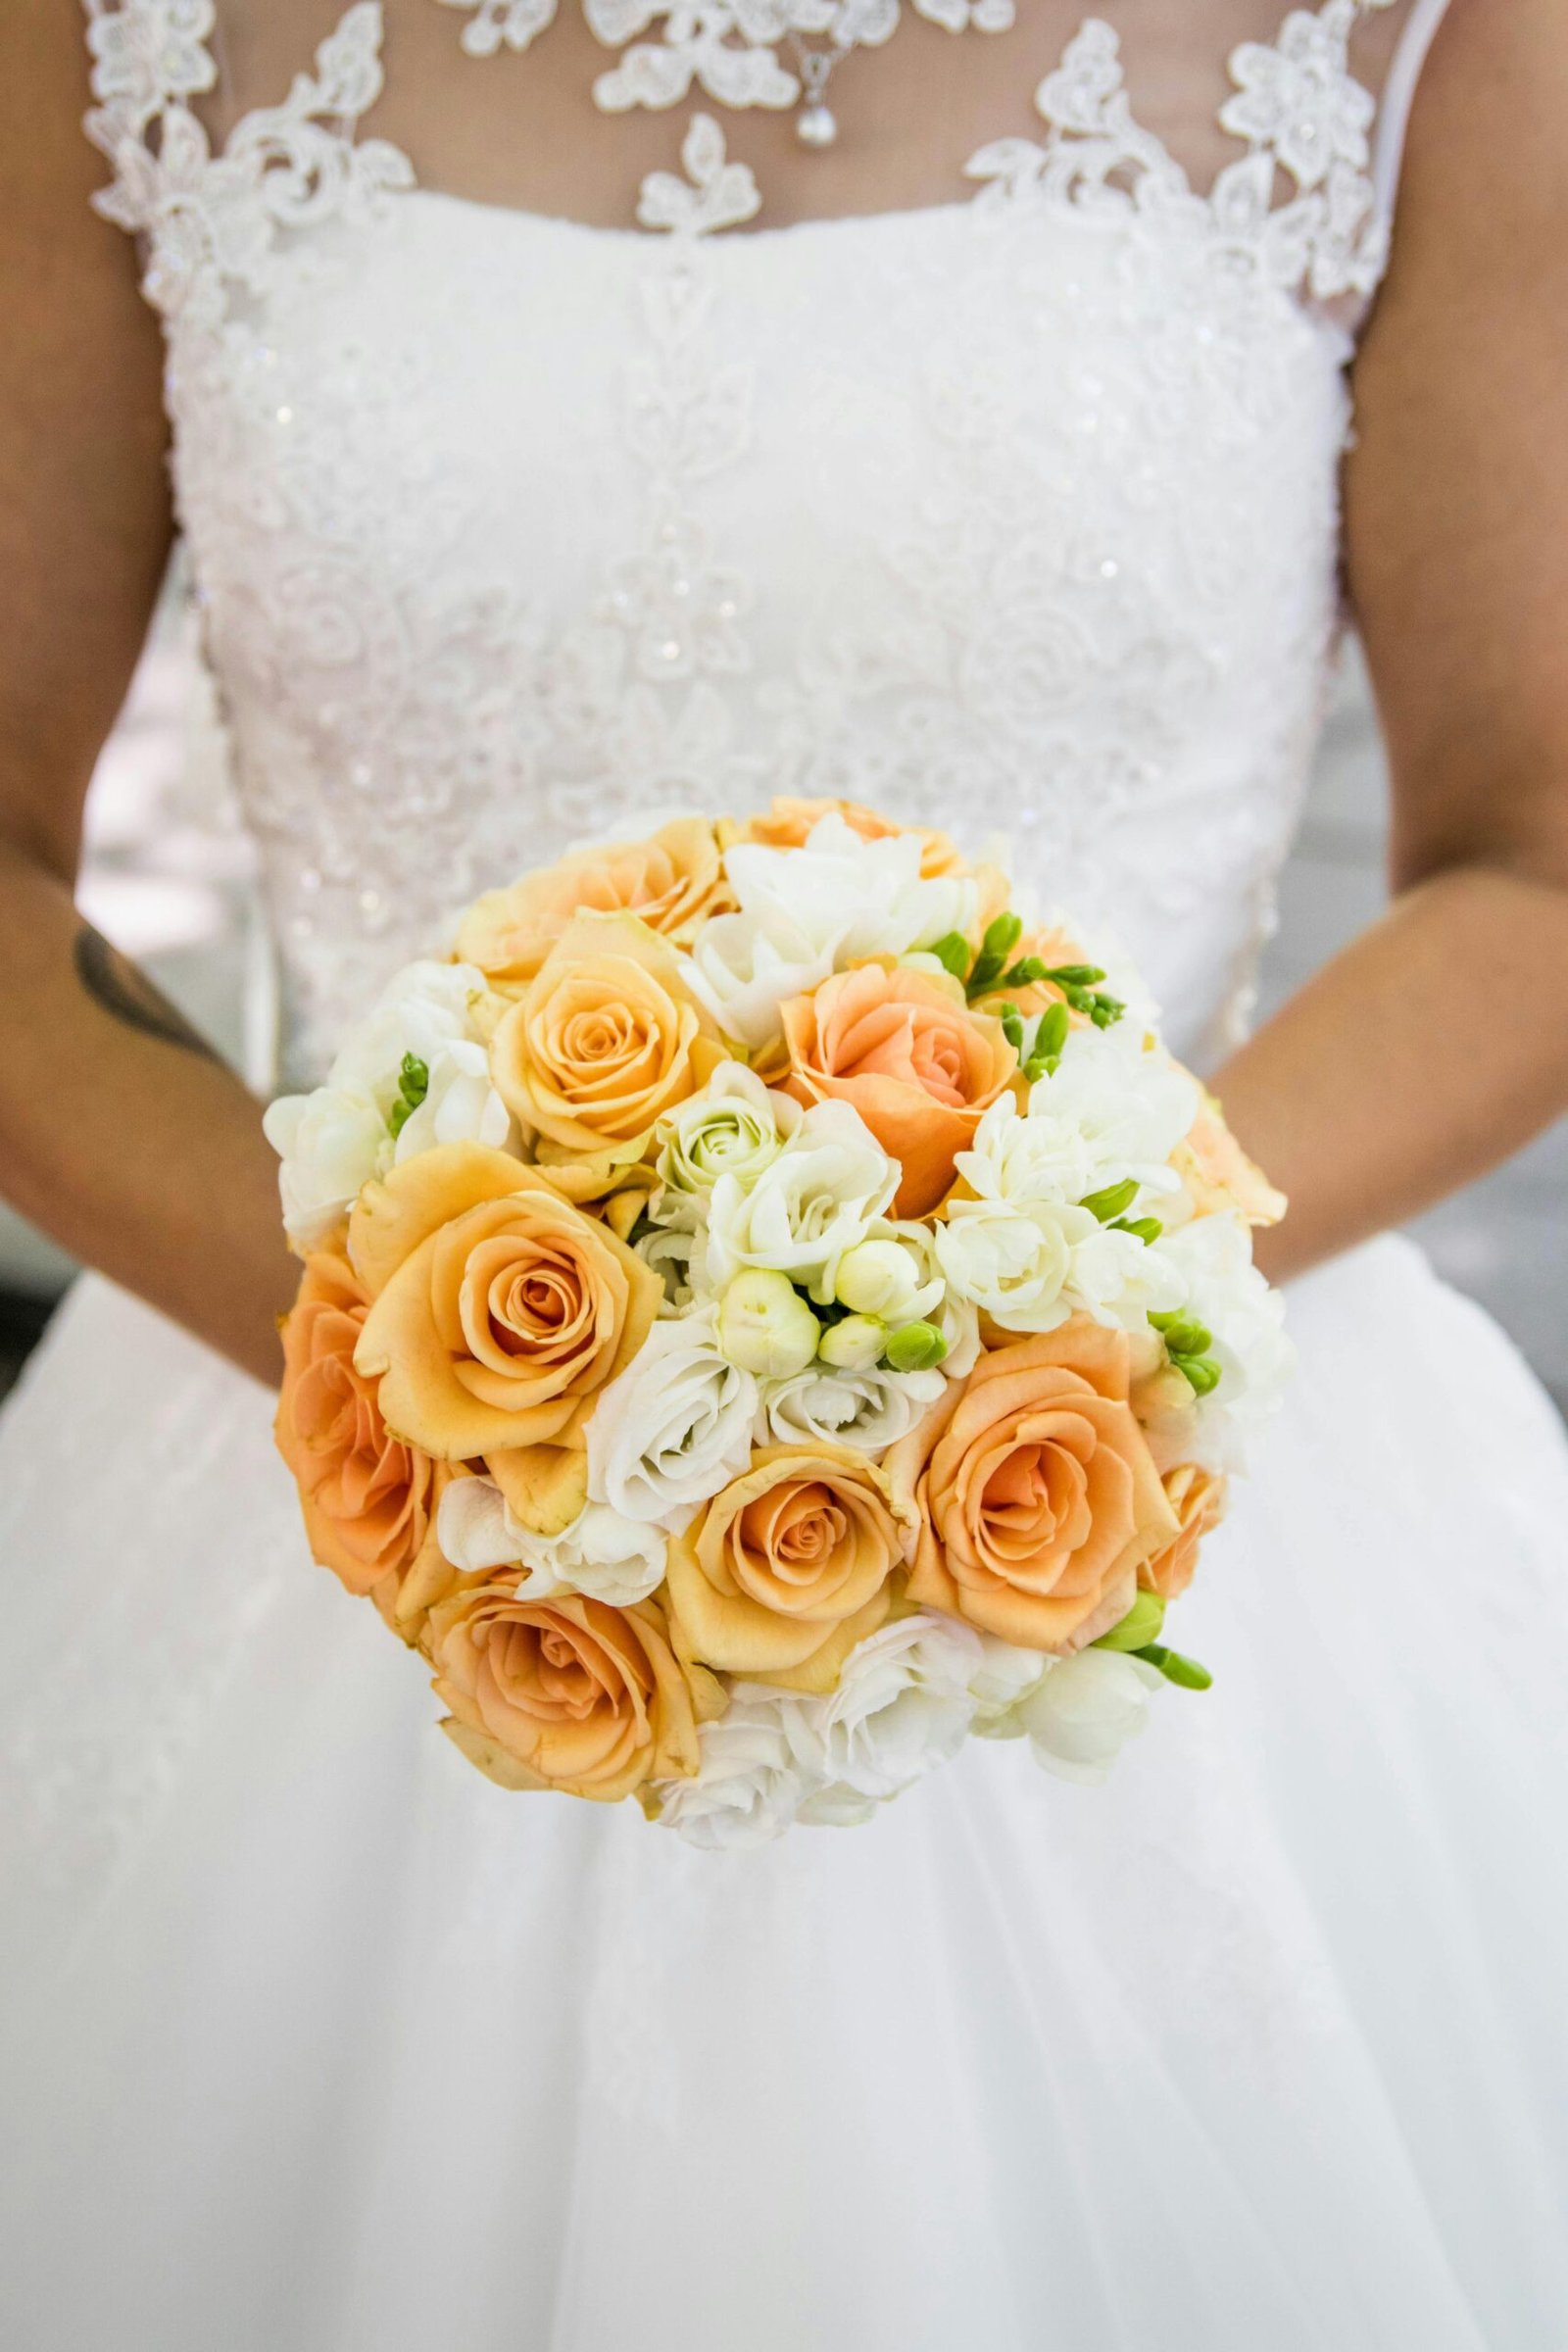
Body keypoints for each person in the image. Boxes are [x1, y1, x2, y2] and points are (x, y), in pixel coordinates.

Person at [1, 3, 1565, 2344]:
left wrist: (1038, 1320)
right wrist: (445, 1367)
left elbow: (1530, 866)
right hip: (322, 1440)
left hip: (1138, 1481)